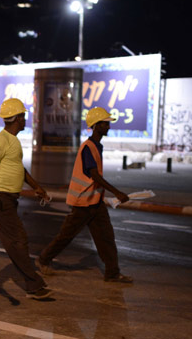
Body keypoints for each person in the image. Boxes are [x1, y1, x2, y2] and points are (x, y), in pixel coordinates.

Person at [0, 98, 53, 300]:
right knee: (17, 240)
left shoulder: (13, 141)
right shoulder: (1, 140)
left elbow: (18, 169)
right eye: (23, 116)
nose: (25, 120)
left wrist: (36, 187)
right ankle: (33, 285)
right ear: (16, 118)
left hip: (6, 199)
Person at [37, 107, 133, 283]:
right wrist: (117, 192)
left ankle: (112, 273)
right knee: (66, 235)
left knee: (106, 238)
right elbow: (94, 175)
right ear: (96, 126)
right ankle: (43, 259)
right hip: (83, 203)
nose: (108, 126)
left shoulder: (96, 146)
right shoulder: (89, 147)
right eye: (105, 123)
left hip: (95, 202)